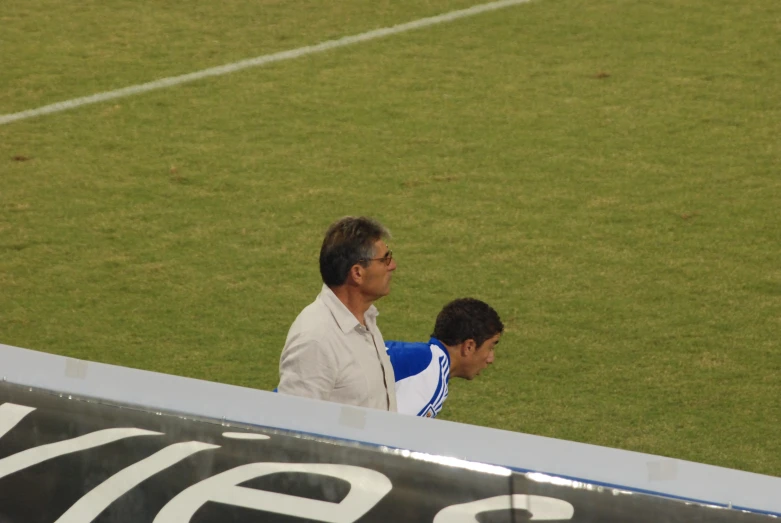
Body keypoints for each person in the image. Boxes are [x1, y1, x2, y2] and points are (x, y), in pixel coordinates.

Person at [278, 216, 398, 411]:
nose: (393, 265)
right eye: (385, 259)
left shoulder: (365, 318)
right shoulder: (315, 340)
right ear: (357, 273)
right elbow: (295, 422)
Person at [385, 298, 503, 418]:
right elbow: (390, 432)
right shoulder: (430, 378)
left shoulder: (414, 354)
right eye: (490, 347)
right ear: (469, 347)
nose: (490, 359)